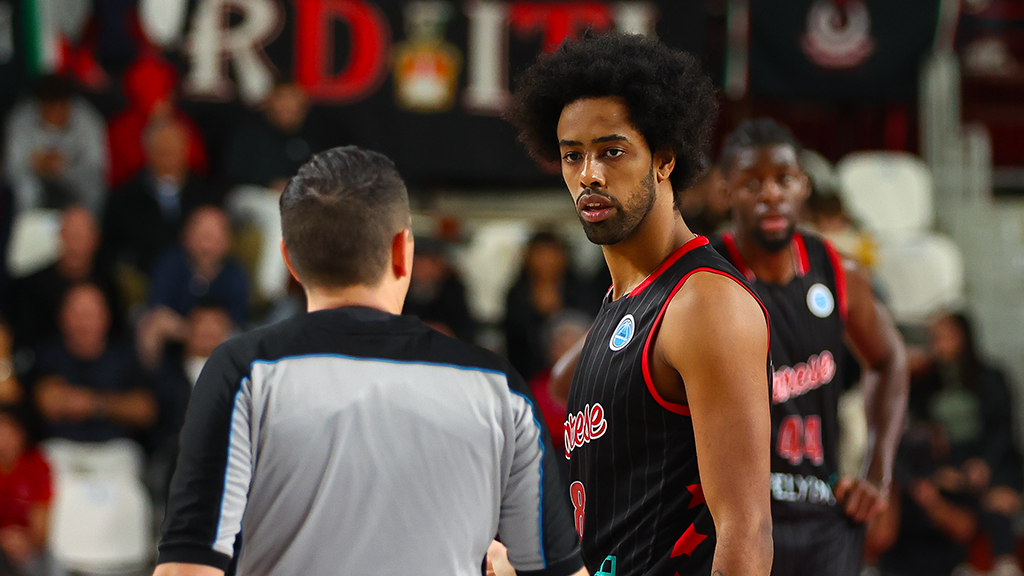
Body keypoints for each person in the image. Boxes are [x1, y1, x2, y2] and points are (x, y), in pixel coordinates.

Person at [154, 146, 585, 576]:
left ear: (290, 261)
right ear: (402, 251)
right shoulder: (496, 386)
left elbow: (187, 570)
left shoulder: (244, 371)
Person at [506, 33, 773, 576]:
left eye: (612, 151)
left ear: (665, 159)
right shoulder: (619, 302)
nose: (589, 174)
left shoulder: (704, 302)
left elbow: (746, 530)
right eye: (572, 156)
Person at [710, 118, 909, 576]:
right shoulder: (705, 274)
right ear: (725, 191)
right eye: (752, 183)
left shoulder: (836, 271)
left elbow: (889, 359)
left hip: (823, 512)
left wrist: (877, 471)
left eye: (784, 180)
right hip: (739, 520)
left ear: (803, 186)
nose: (771, 194)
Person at [3, 74, 108, 216]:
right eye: (50, 107)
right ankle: (28, 225)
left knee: (94, 187)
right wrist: (38, 164)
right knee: (24, 187)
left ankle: (85, 226)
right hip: (35, 183)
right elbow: (11, 168)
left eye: (60, 106)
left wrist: (63, 167)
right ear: (38, 104)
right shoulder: (20, 119)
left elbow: (97, 168)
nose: (55, 113)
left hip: (75, 184)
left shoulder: (89, 120)